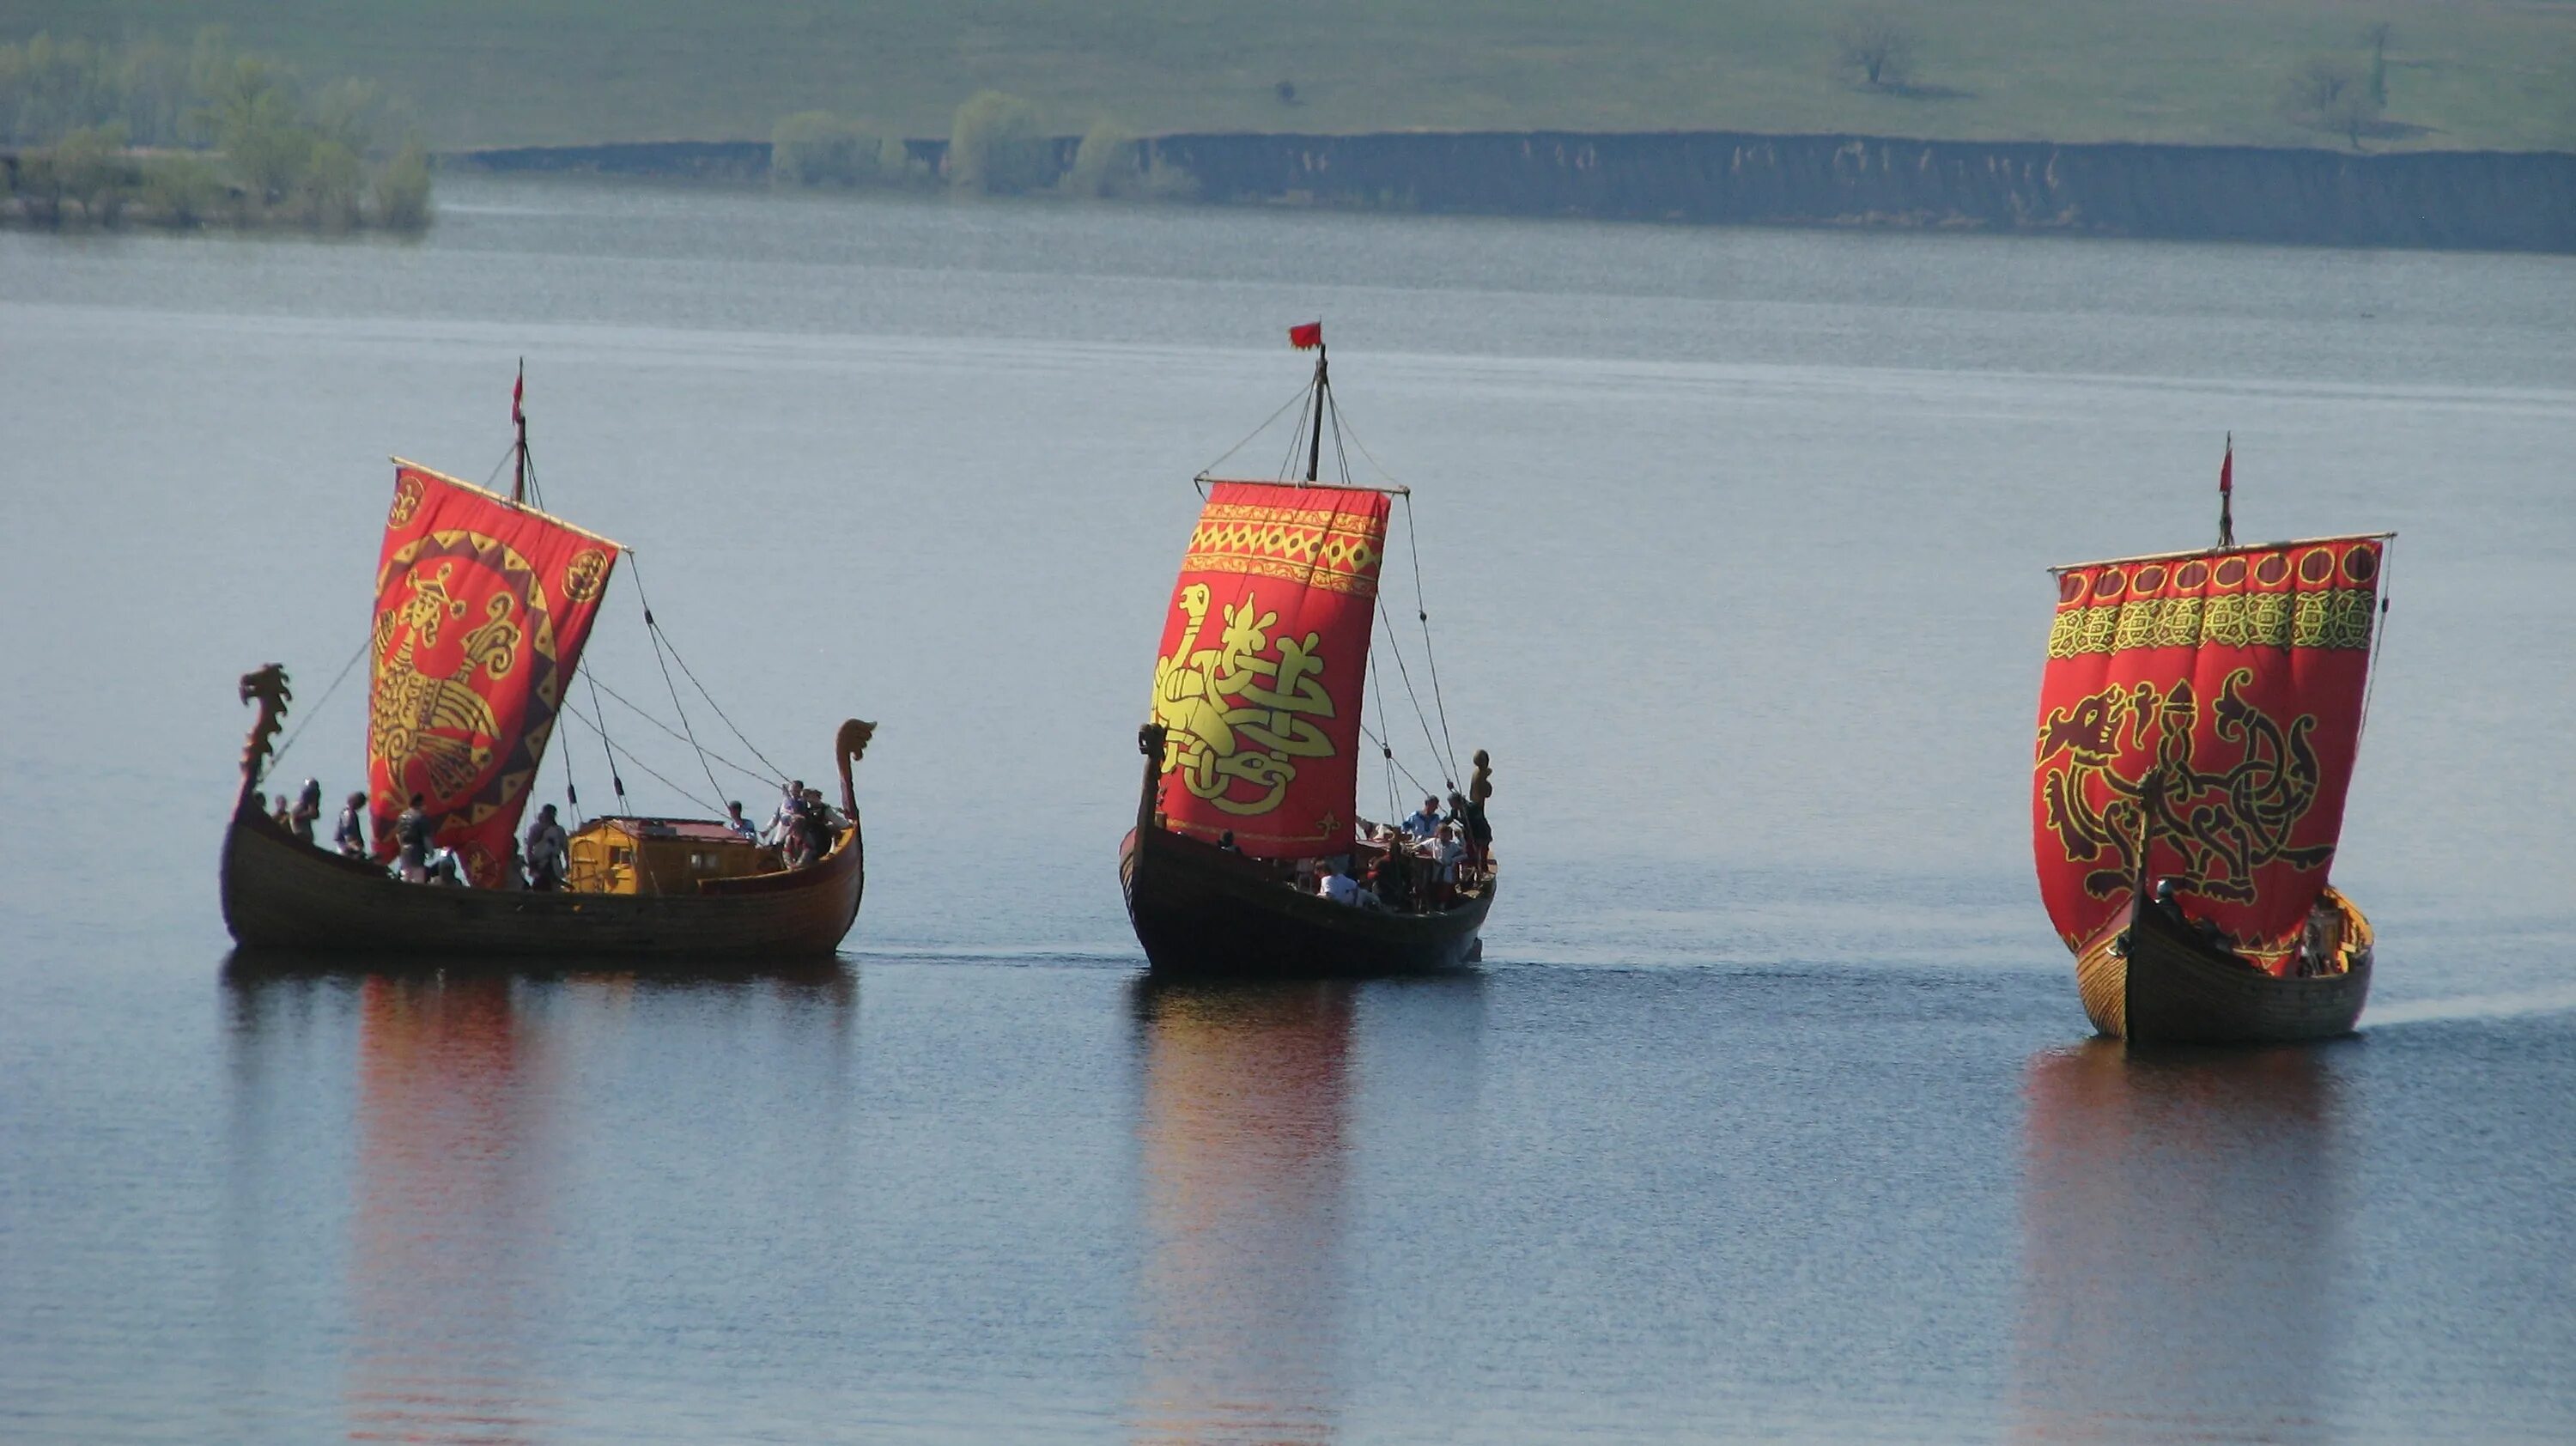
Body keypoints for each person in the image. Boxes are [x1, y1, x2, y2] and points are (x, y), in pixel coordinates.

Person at [524, 804, 569, 891]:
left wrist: (567, 863)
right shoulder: (536, 828)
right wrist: (531, 862)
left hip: (554, 862)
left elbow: (565, 848)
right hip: (540, 862)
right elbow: (529, 847)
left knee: (555, 886)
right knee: (539, 887)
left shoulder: (559, 830)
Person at [393, 793, 433, 883]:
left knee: (406, 874)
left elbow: (398, 835)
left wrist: (402, 846)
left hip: (404, 848)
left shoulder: (401, 817)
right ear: (419, 804)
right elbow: (426, 837)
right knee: (418, 876)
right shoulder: (421, 817)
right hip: (416, 849)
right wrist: (430, 851)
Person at [334, 791, 368, 859]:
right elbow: (348, 832)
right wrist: (355, 846)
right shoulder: (349, 814)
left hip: (349, 848)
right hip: (346, 849)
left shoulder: (349, 813)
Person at [289, 780, 323, 845]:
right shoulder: (298, 807)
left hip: (306, 835)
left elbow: (315, 815)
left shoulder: (302, 806)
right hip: (300, 835)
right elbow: (296, 817)